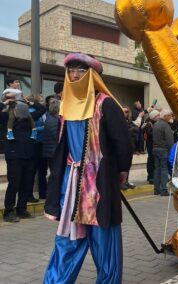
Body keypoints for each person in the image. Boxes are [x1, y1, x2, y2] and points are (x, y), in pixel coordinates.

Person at [43, 52, 132, 283]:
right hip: (70, 187)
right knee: (67, 240)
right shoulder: (65, 106)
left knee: (104, 243)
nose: (74, 75)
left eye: (81, 70)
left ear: (92, 75)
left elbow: (123, 144)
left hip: (98, 187)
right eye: (71, 70)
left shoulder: (106, 104)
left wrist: (119, 174)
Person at [0, 97, 46, 222]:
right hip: (14, 157)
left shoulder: (29, 117)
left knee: (26, 184)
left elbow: (42, 109)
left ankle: (21, 209)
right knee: (14, 185)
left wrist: (30, 102)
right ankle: (9, 212)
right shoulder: (5, 117)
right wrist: (4, 103)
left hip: (29, 156)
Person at [152, 109, 174, 196]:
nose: (170, 117)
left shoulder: (156, 124)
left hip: (155, 149)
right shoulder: (166, 126)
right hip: (163, 149)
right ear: (165, 116)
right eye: (169, 116)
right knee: (164, 169)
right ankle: (164, 189)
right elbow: (169, 140)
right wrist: (172, 150)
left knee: (157, 169)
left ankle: (156, 189)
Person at [42, 99, 60, 175]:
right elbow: (57, 137)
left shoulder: (50, 118)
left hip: (51, 152)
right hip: (54, 152)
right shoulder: (54, 121)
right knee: (55, 174)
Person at [143, 110, 160, 185]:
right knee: (151, 160)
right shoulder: (148, 125)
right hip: (150, 145)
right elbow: (150, 134)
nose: (159, 117)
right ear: (154, 117)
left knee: (154, 160)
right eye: (157, 116)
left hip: (155, 145)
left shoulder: (155, 123)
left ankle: (153, 176)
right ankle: (151, 176)